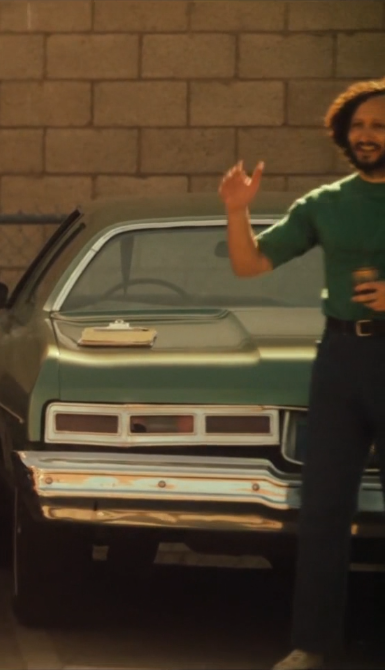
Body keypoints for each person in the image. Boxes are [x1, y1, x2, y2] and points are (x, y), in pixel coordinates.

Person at [218, 78, 385, 670]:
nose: (367, 135)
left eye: (379, 125)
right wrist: (237, 210)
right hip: (341, 360)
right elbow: (250, 264)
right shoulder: (326, 203)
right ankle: (313, 645)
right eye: (358, 125)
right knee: (323, 509)